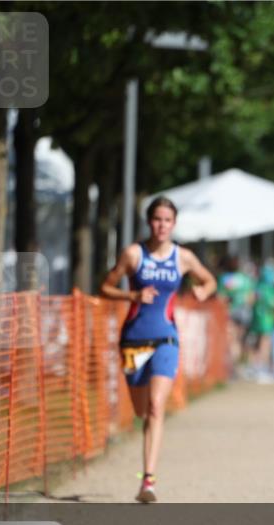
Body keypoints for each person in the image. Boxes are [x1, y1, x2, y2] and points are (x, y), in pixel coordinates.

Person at [100, 196, 217, 503]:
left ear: (174, 224)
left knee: (156, 406)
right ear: (149, 222)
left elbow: (209, 281)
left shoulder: (183, 257)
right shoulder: (133, 254)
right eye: (156, 219)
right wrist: (134, 295)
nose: (161, 225)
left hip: (166, 338)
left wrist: (202, 290)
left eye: (167, 220)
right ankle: (147, 472)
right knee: (141, 411)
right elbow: (106, 286)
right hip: (133, 340)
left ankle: (148, 480)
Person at [250, 262, 274, 382]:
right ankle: (260, 369)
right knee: (264, 344)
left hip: (258, 319)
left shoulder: (258, 286)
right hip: (266, 320)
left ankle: (256, 367)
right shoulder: (269, 288)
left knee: (258, 344)